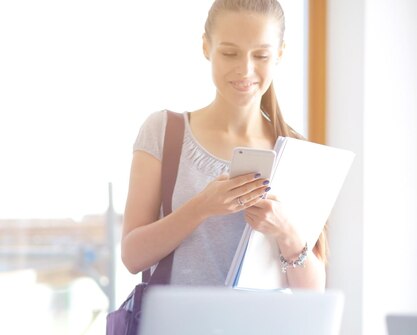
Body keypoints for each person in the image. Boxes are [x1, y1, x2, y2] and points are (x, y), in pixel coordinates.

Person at [121, 0, 326, 291]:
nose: (245, 69)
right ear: (206, 47)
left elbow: (313, 292)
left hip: (260, 334)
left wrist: (287, 232)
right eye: (230, 53)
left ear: (279, 54)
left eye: (261, 55)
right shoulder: (163, 131)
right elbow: (132, 256)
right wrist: (201, 207)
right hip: (175, 333)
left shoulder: (296, 152)